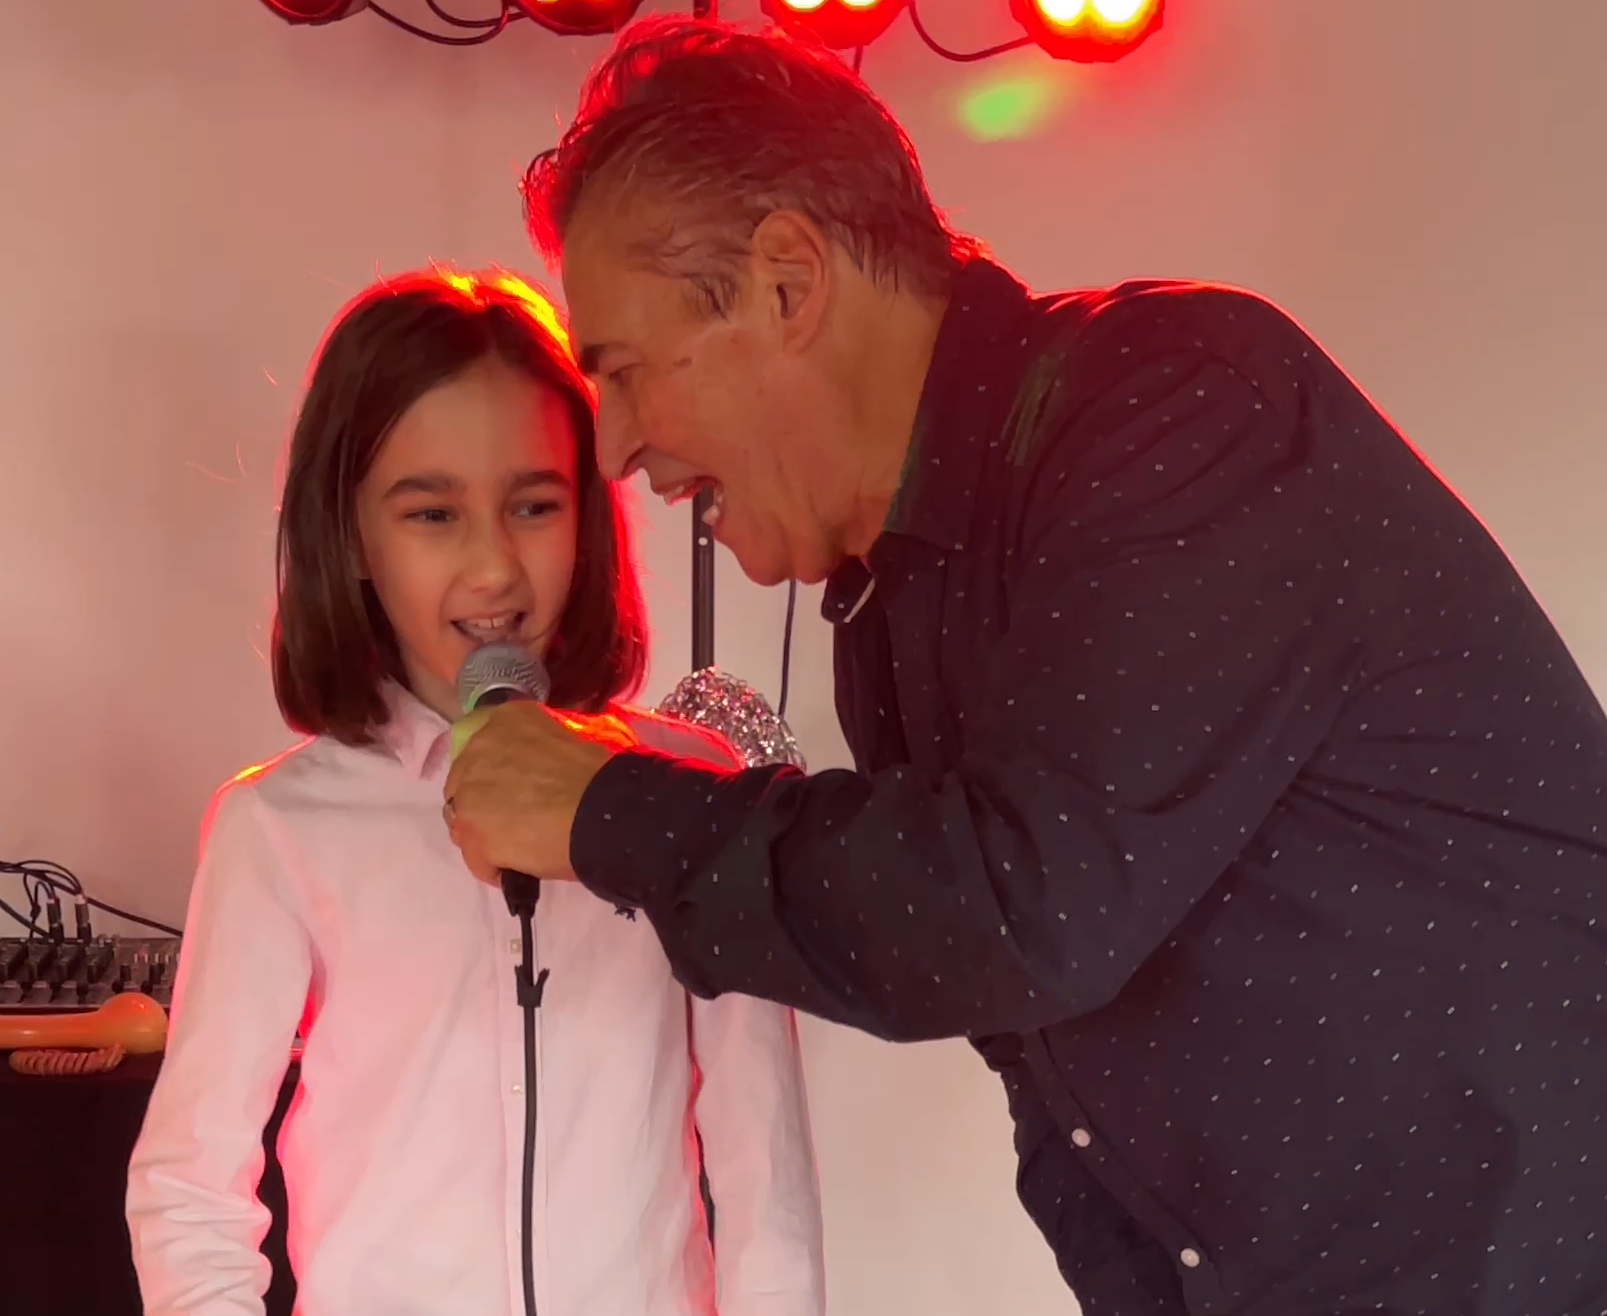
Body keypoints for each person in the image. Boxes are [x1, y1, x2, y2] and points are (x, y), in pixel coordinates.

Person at [443, 16, 1607, 1316]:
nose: (611, 448)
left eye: (619, 370)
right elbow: (1051, 1073)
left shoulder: (1178, 400)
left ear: (784, 282)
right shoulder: (891, 608)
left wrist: (601, 810)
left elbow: (1021, 906)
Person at [125, 269, 825, 1316]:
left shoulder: (689, 793)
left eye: (533, 505)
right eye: (433, 513)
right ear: (351, 537)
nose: (494, 566)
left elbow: (764, 1170)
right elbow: (191, 1189)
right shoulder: (277, 831)